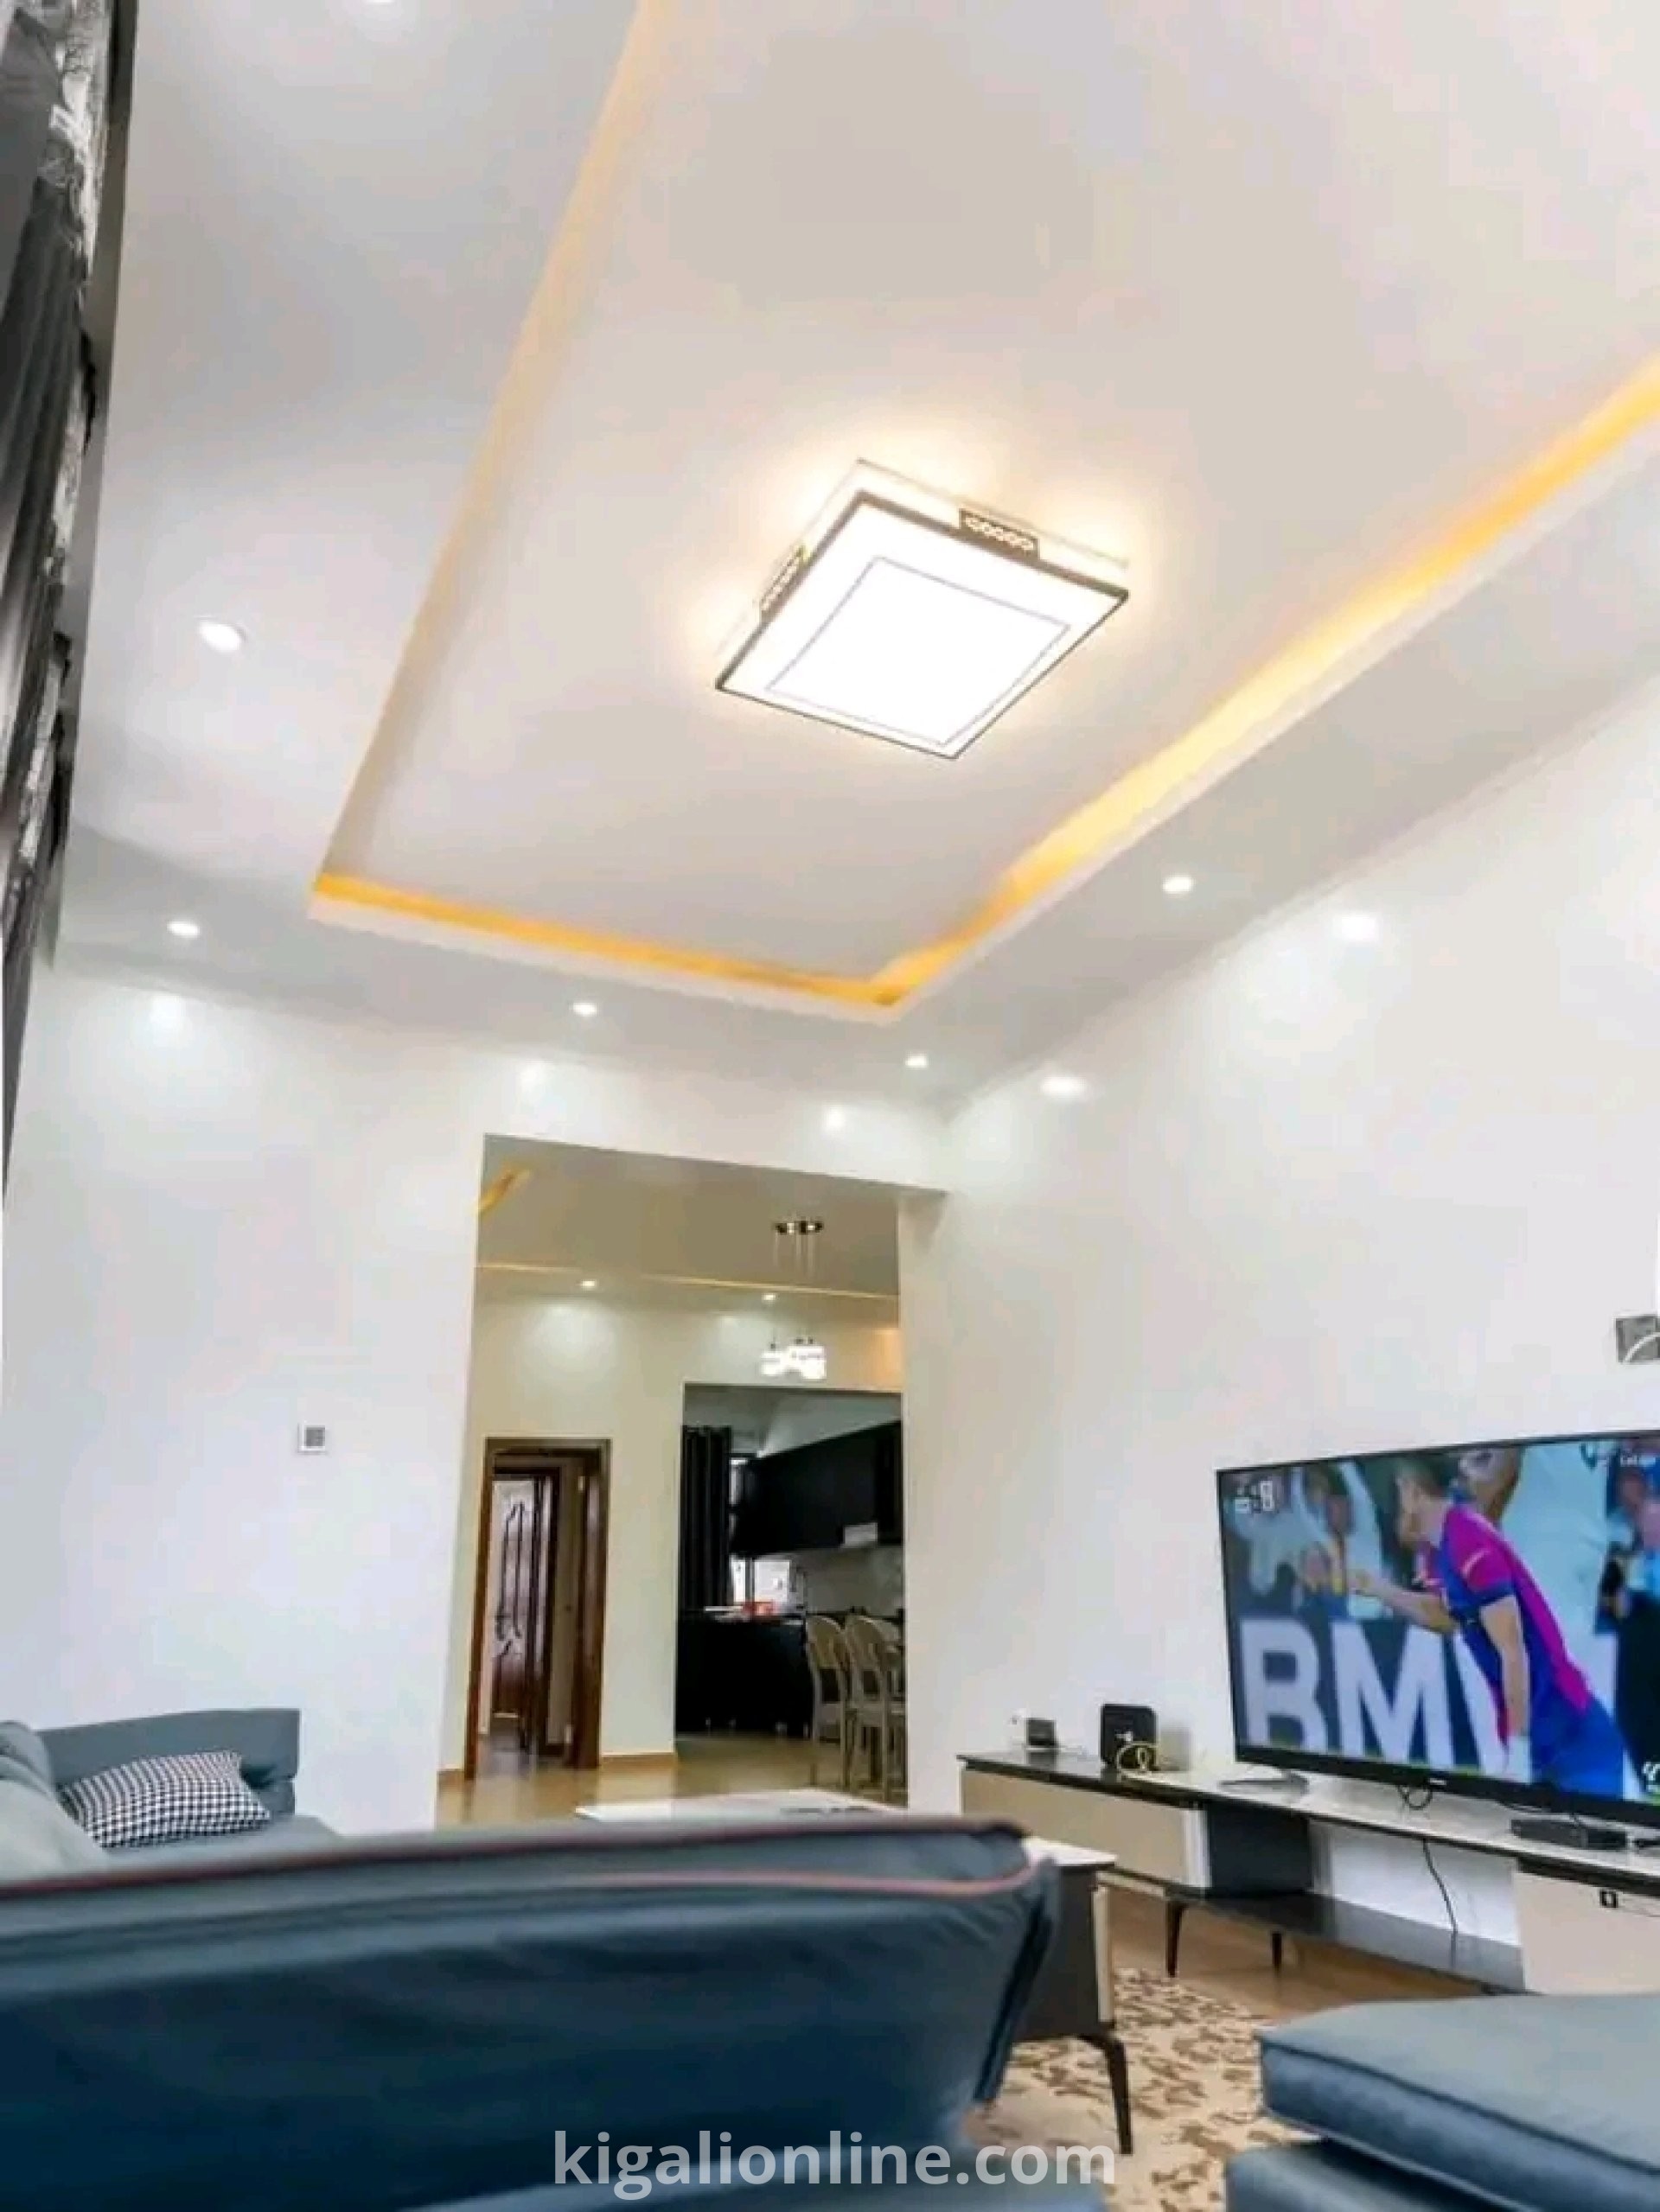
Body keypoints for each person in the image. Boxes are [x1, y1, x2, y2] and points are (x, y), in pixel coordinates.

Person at [1351, 1456, 1628, 1798]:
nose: (1393, 1517)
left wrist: (1518, 1750)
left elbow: (1513, 1650)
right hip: (1543, 1742)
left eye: (1395, 1498)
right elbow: (1445, 1617)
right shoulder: (1440, 1552)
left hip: (1573, 1740)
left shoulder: (1469, 1538)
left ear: (1411, 1490)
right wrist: (1380, 1590)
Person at [1455, 1440, 1614, 1675]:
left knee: (1547, 1668)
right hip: (1589, 1538)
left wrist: (1476, 1518)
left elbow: (1505, 1460)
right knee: (1569, 1668)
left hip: (1543, 1538)